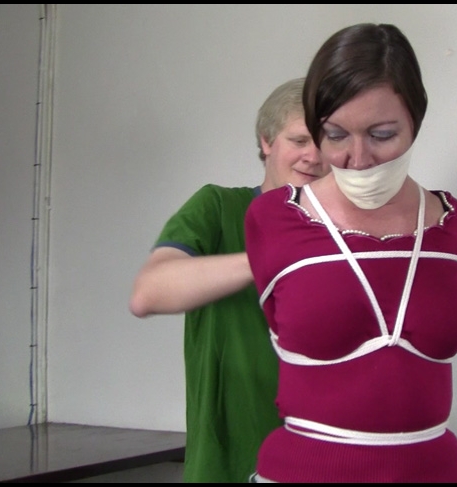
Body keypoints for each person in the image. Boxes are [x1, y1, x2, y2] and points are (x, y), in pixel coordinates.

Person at [244, 23, 457, 483]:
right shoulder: (274, 220)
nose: (358, 158)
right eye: (334, 135)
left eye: (382, 134)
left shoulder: (451, 223)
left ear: (415, 121)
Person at [129, 78, 329, 483]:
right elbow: (148, 293)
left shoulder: (345, 233)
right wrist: (273, 259)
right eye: (299, 140)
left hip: (320, 460)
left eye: (326, 142)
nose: (313, 156)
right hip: (227, 466)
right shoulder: (219, 207)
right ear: (267, 141)